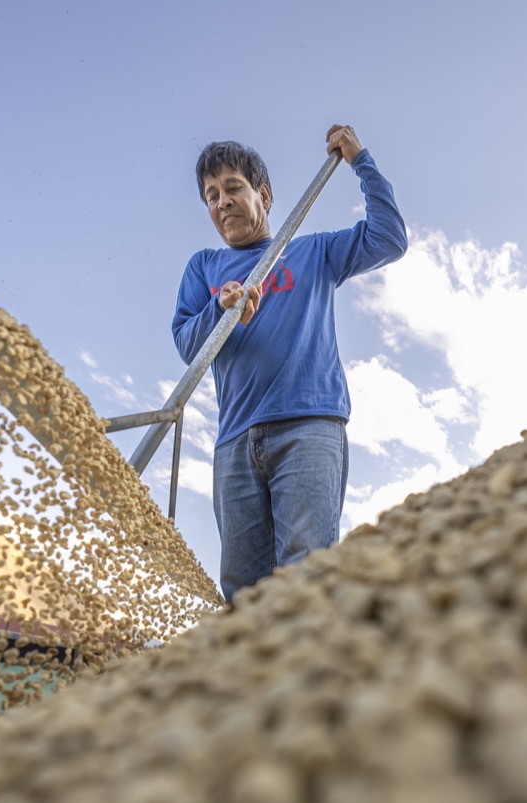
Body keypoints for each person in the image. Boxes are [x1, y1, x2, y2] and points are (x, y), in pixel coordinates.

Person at [173, 124, 407, 602]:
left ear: (264, 193)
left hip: (309, 427)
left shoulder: (311, 251)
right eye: (211, 195)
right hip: (235, 441)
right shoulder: (205, 267)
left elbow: (389, 239)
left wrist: (360, 161)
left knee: (307, 574)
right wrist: (222, 311)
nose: (222, 202)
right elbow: (186, 345)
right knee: (243, 590)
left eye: (233, 187)